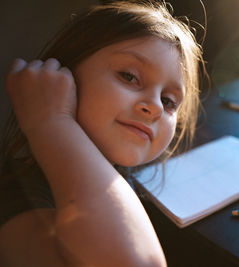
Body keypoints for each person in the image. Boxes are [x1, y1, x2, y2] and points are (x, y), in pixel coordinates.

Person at [0, 0, 205, 266]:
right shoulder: (16, 198)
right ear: (65, 78)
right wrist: (51, 121)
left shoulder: (119, 174)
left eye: (168, 101)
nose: (155, 107)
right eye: (129, 76)